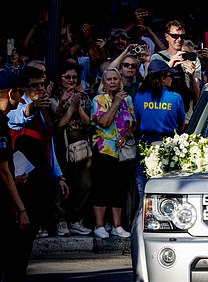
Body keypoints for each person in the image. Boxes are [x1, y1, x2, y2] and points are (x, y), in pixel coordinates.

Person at [8, 66, 69, 239]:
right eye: (35, 86)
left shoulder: (44, 109)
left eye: (42, 84)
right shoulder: (16, 107)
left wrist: (59, 175)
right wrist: (32, 107)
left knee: (34, 226)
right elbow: (19, 117)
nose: (40, 89)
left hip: (42, 177)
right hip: (22, 180)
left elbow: (49, 143)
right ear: (23, 88)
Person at [0, 70, 31, 282]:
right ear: (10, 94)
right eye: (18, 94)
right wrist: (21, 208)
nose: (20, 99)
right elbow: (2, 171)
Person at [90, 68, 135, 239]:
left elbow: (133, 123)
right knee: (102, 187)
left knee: (119, 188)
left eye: (116, 78)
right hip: (103, 148)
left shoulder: (128, 99)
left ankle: (118, 225)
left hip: (121, 150)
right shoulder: (98, 99)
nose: (113, 82)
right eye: (109, 79)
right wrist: (115, 102)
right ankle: (99, 225)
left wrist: (125, 135)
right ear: (104, 82)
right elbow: (104, 121)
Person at [49, 61, 93, 236]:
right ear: (60, 78)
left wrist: (79, 106)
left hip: (81, 145)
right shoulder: (53, 96)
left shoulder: (83, 96)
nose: (71, 80)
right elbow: (58, 124)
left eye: (74, 77)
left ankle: (76, 219)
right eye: (67, 77)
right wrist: (68, 106)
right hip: (62, 146)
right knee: (62, 185)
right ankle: (60, 221)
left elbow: (88, 122)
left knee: (84, 184)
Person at [133, 59, 186, 200]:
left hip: (145, 142)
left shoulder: (139, 97)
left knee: (144, 186)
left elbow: (137, 122)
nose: (172, 79)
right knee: (167, 185)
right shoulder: (175, 98)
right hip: (168, 143)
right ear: (162, 77)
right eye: (170, 76)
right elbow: (181, 124)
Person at [150, 20, 201, 120]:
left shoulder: (193, 59)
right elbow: (152, 88)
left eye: (182, 36)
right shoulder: (157, 58)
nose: (179, 39)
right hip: (164, 115)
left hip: (186, 116)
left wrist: (191, 76)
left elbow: (196, 95)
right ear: (167, 36)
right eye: (175, 36)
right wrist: (169, 66)